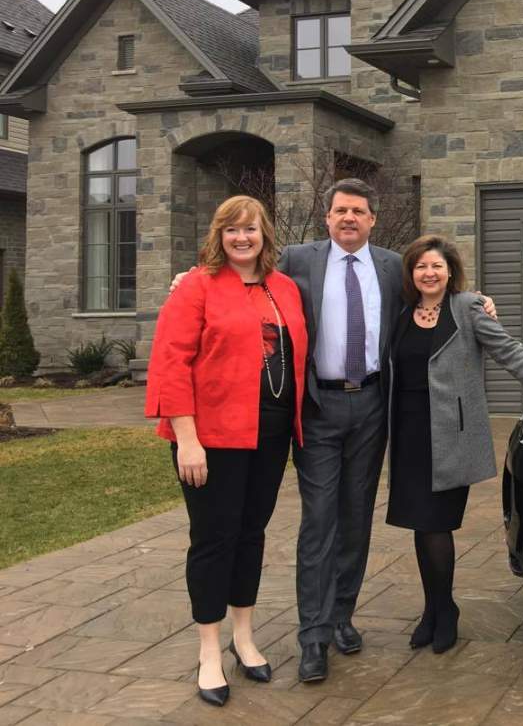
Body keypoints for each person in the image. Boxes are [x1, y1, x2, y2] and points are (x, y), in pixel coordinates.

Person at [169, 178, 496, 681]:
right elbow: (238, 270)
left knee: (356, 517)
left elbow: (436, 291)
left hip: (371, 406)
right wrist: (188, 277)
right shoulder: (298, 260)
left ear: (372, 220)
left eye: (359, 212)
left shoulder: (392, 266)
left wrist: (476, 301)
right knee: (318, 522)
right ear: (327, 217)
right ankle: (314, 635)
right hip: (317, 406)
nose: (349, 218)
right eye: (340, 210)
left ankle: (343, 614)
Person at [386, 234, 523, 653]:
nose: (429, 273)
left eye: (436, 266)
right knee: (421, 527)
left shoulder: (467, 308)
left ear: (450, 271)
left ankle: (446, 611)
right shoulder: (402, 312)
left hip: (450, 434)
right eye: (421, 266)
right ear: (412, 273)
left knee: (437, 524)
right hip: (408, 434)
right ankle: (431, 609)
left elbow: (509, 350)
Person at [146, 196, 307, 707]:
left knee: (251, 535)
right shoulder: (196, 286)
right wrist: (187, 438)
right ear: (220, 235)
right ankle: (209, 650)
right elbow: (171, 364)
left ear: (265, 235)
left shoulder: (284, 289)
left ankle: (244, 636)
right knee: (213, 540)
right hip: (211, 438)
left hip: (271, 434)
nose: (243, 237)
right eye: (233, 229)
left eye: (251, 229)